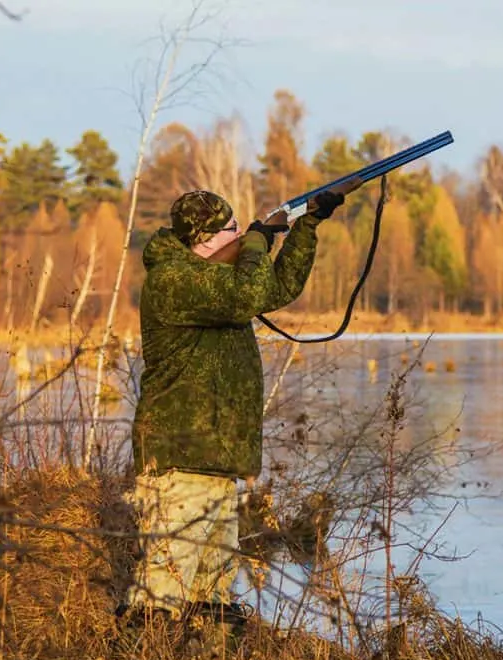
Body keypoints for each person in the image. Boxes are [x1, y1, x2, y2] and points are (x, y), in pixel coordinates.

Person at [119, 188, 345, 632]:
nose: (240, 233)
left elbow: (273, 290)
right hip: (179, 458)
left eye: (241, 227)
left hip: (215, 459)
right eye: (232, 229)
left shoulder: (210, 281)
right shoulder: (174, 280)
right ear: (205, 240)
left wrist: (306, 226)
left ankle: (209, 659)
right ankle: (138, 659)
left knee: (213, 596)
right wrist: (260, 239)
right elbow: (247, 294)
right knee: (160, 595)